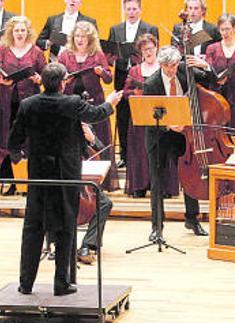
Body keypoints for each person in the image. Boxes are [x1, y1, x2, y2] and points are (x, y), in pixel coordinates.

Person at [8, 62, 119, 296]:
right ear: (62, 82)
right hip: (65, 174)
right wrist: (111, 102)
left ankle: (25, 283)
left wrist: (19, 157)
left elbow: (14, 140)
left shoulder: (28, 104)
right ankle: (61, 283)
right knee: (66, 227)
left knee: (33, 227)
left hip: (38, 174)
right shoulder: (72, 103)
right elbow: (96, 114)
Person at [142, 45, 214, 240]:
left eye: (174, 65)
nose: (172, 70)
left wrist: (205, 65)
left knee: (189, 176)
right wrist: (168, 125)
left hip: (183, 135)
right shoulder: (151, 84)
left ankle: (192, 219)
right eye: (168, 66)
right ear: (161, 65)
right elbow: (148, 118)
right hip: (159, 137)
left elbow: (211, 81)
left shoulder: (184, 70)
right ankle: (157, 227)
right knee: (157, 181)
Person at [0, 16, 46, 181]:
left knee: (27, 135)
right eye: (16, 30)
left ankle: (28, 175)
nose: (20, 33)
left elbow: (44, 73)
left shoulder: (36, 51)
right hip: (6, 98)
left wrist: (40, 79)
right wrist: (0, 79)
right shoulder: (3, 49)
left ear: (28, 32)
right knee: (7, 135)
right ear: (11, 32)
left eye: (23, 30)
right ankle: (7, 176)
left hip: (29, 99)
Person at [60, 21, 115, 189]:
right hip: (71, 101)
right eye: (77, 36)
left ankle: (102, 180)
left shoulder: (97, 54)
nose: (80, 39)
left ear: (89, 38)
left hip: (94, 100)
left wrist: (101, 72)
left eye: (83, 36)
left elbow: (108, 78)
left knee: (98, 137)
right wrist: (65, 78)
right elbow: (59, 76)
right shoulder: (65, 54)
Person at [107, 0, 158, 170]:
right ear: (124, 9)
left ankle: (145, 154)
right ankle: (124, 154)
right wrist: (112, 57)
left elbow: (154, 51)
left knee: (145, 114)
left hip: (145, 73)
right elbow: (109, 54)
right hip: (122, 74)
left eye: (134, 9)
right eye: (128, 9)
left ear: (140, 10)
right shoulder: (115, 29)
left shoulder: (150, 28)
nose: (131, 12)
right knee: (123, 114)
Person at [123, 34, 168, 198]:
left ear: (156, 48)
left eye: (151, 48)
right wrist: (135, 92)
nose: (148, 52)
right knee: (139, 150)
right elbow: (125, 93)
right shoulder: (135, 70)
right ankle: (140, 185)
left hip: (160, 116)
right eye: (144, 50)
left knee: (160, 151)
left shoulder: (163, 68)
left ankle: (161, 187)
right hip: (140, 117)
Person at [204, 14, 235, 138]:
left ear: (234, 29)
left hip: (234, 97)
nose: (225, 33)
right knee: (215, 131)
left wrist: (233, 73)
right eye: (222, 29)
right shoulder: (212, 48)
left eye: (228, 29)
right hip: (215, 95)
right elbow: (208, 72)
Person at [77, 123, 113, 265]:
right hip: (63, 179)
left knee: (105, 203)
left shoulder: (85, 126)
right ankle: (59, 244)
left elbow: (103, 153)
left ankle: (88, 245)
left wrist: (92, 139)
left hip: (85, 183)